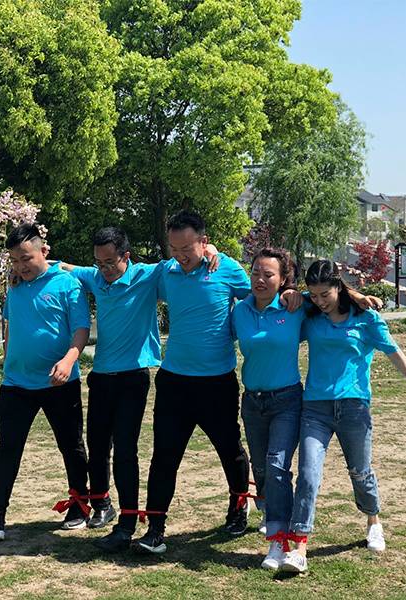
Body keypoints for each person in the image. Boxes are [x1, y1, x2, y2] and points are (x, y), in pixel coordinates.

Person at [134, 212, 300, 555]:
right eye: (174, 248)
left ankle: (239, 504)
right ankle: (155, 529)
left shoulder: (226, 269)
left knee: (230, 450)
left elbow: (262, 291)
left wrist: (289, 293)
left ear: (204, 242)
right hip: (173, 381)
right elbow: (121, 273)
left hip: (217, 382)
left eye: (187, 248)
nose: (180, 255)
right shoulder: (166, 271)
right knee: (164, 456)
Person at [51, 227, 219, 552]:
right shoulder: (95, 277)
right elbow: (62, 267)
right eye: (99, 262)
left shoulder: (148, 275)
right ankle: (102, 504)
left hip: (133, 377)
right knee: (97, 445)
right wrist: (28, 269)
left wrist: (213, 252)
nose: (104, 269)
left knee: (126, 449)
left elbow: (188, 256)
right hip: (101, 376)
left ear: (126, 256)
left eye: (110, 262)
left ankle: (127, 524)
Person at [279, 259, 406, 573]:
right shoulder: (311, 315)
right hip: (315, 407)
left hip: (354, 408)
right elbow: (288, 301)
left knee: (360, 472)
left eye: (325, 294)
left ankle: (373, 521)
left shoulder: (366, 318)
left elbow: (395, 353)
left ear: (338, 287)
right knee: (308, 475)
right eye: (314, 295)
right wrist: (291, 294)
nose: (320, 301)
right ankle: (299, 548)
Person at [232, 249, 381, 571]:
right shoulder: (240, 310)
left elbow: (330, 295)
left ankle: (280, 542)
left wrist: (357, 295)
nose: (259, 279)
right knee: (262, 470)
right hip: (252, 401)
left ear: (283, 279)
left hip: (288, 399)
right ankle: (275, 522)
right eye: (255, 272)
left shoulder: (296, 306)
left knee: (278, 466)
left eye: (268, 274)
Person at [0, 223, 91, 540]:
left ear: (43, 251)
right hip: (16, 384)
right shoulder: (15, 287)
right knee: (7, 448)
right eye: (15, 261)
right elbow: (10, 325)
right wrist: (7, 362)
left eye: (26, 258)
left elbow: (81, 329)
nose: (21, 266)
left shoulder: (68, 284)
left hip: (59, 383)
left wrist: (69, 360)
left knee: (71, 446)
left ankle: (80, 506)